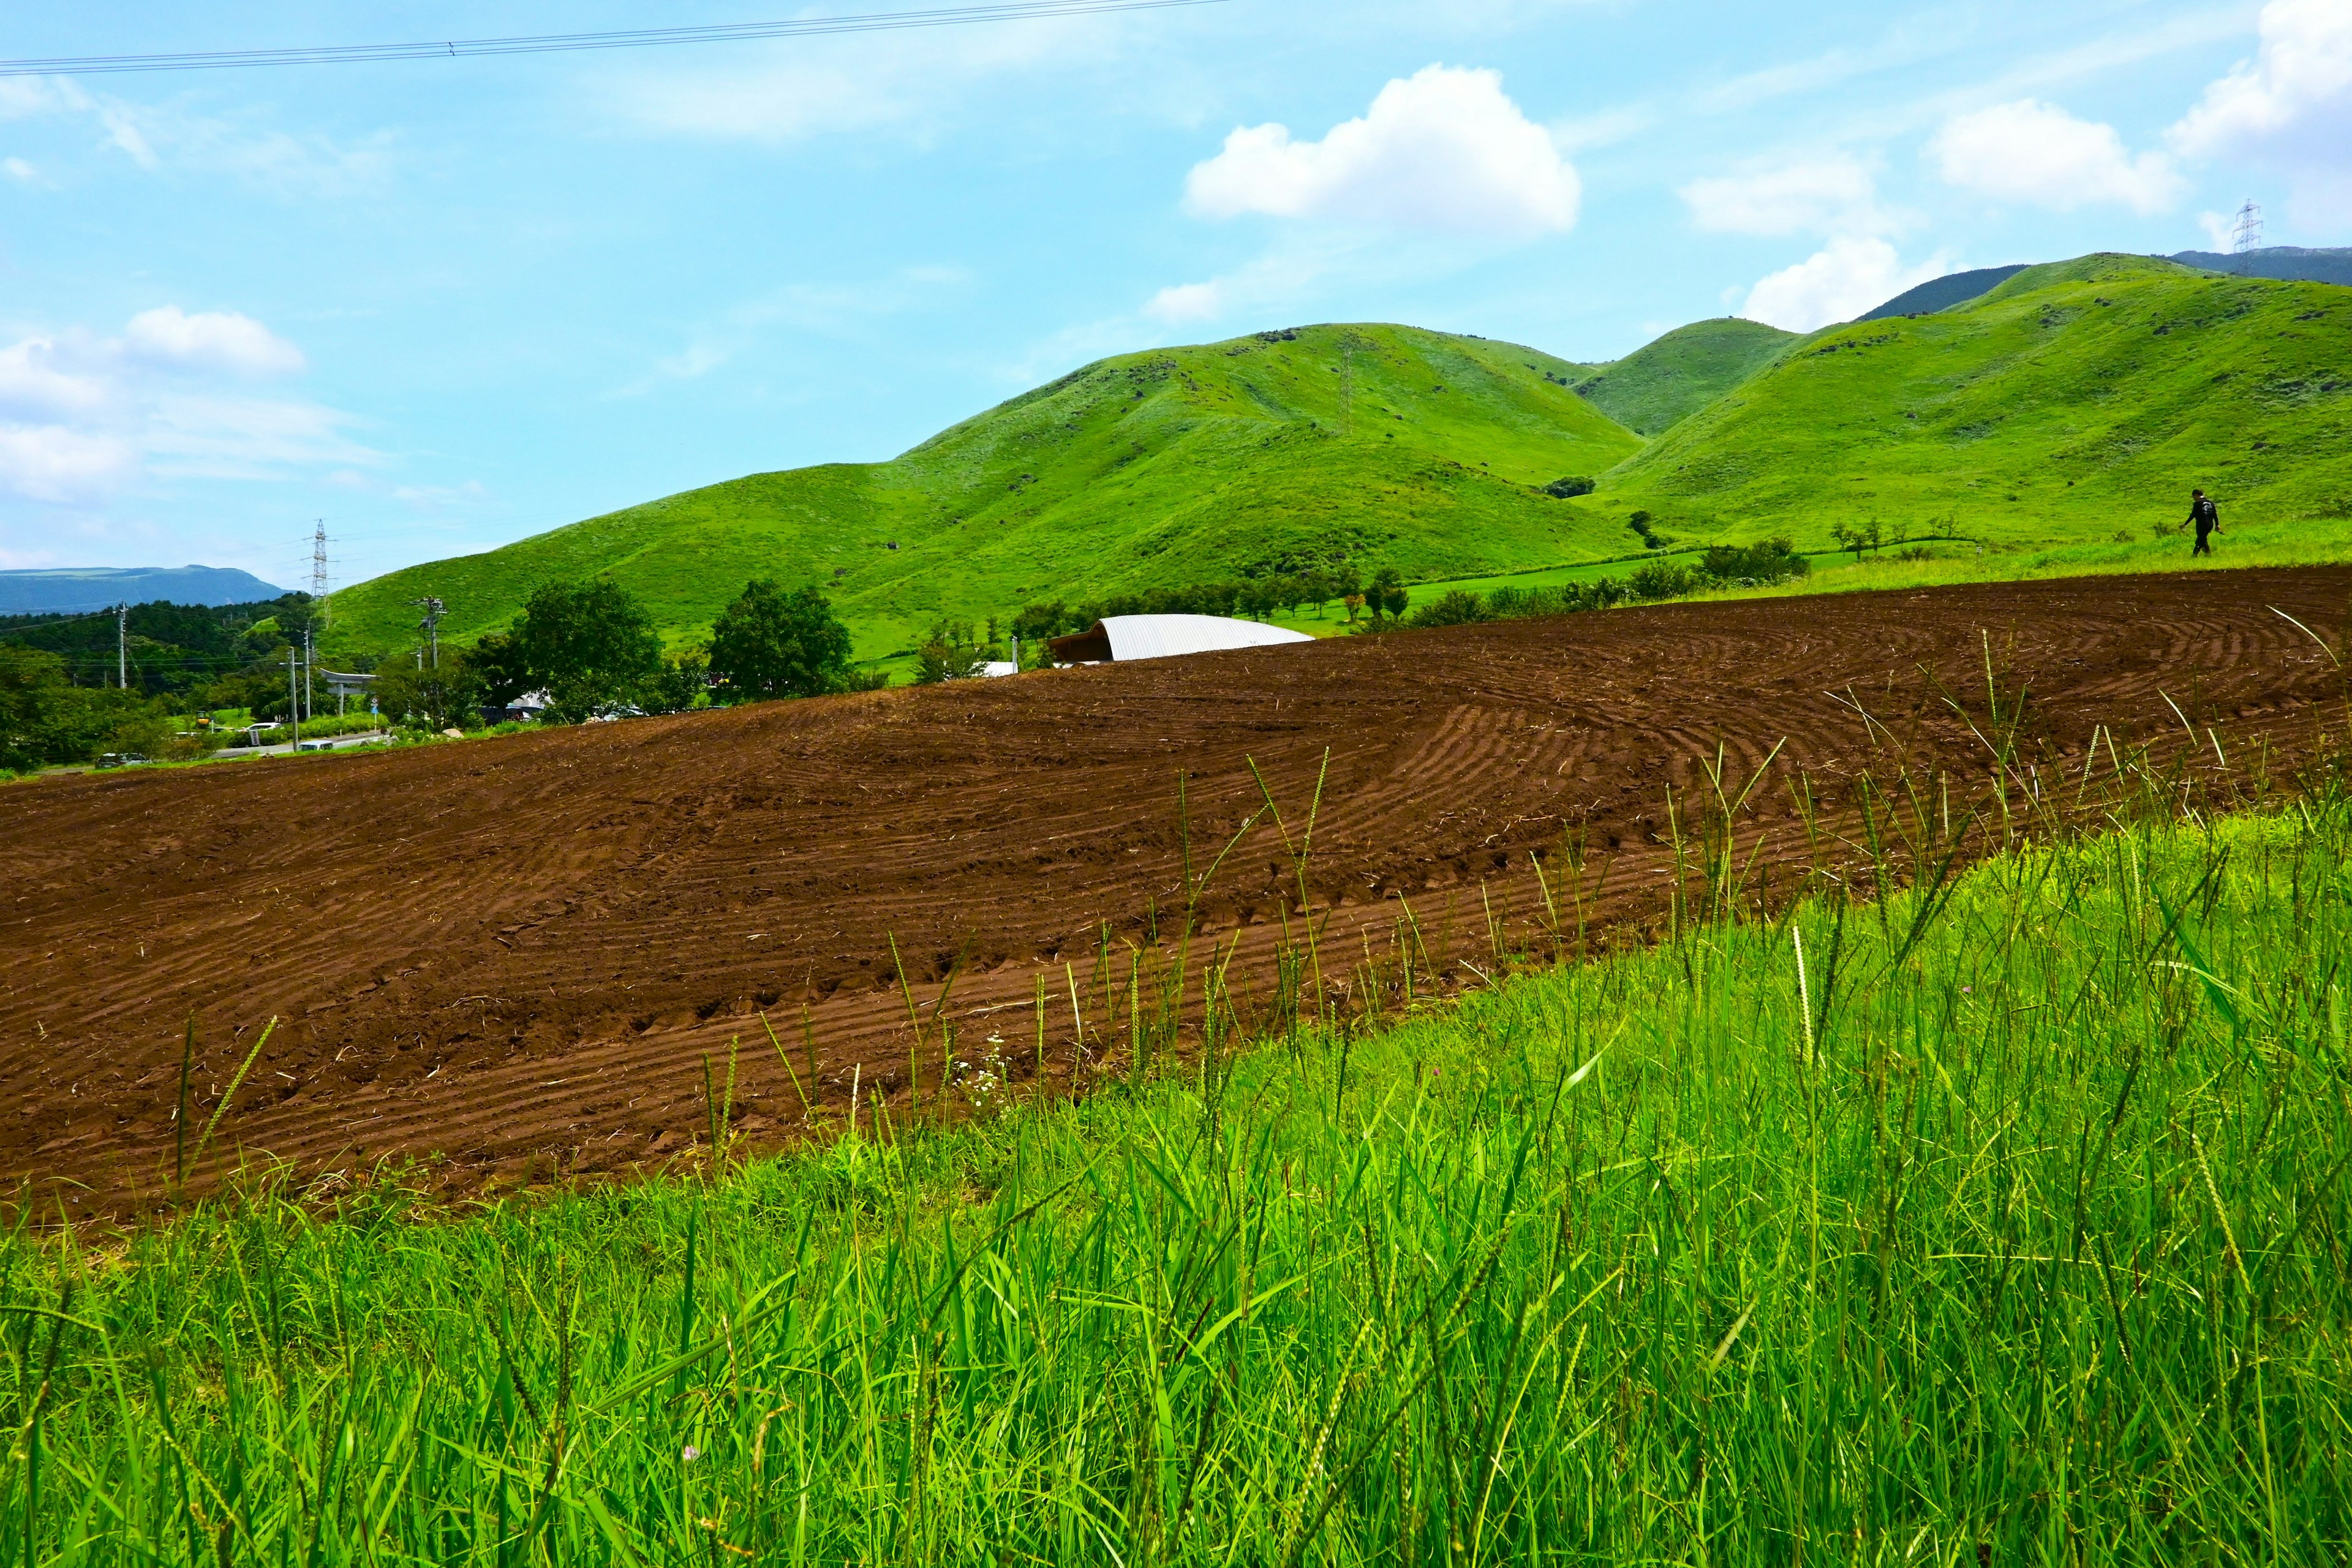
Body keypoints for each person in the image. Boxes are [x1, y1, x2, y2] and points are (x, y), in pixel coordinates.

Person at [2187, 488, 2220, 556]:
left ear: (2196, 495)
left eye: (2194, 497)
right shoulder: (2211, 503)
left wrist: (2185, 524)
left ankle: (2196, 555)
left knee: (2200, 540)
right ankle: (2205, 554)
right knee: (2202, 539)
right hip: (2210, 525)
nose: (2194, 499)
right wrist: (2217, 525)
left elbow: (2193, 514)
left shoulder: (2197, 503)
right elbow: (2215, 514)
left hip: (2201, 524)